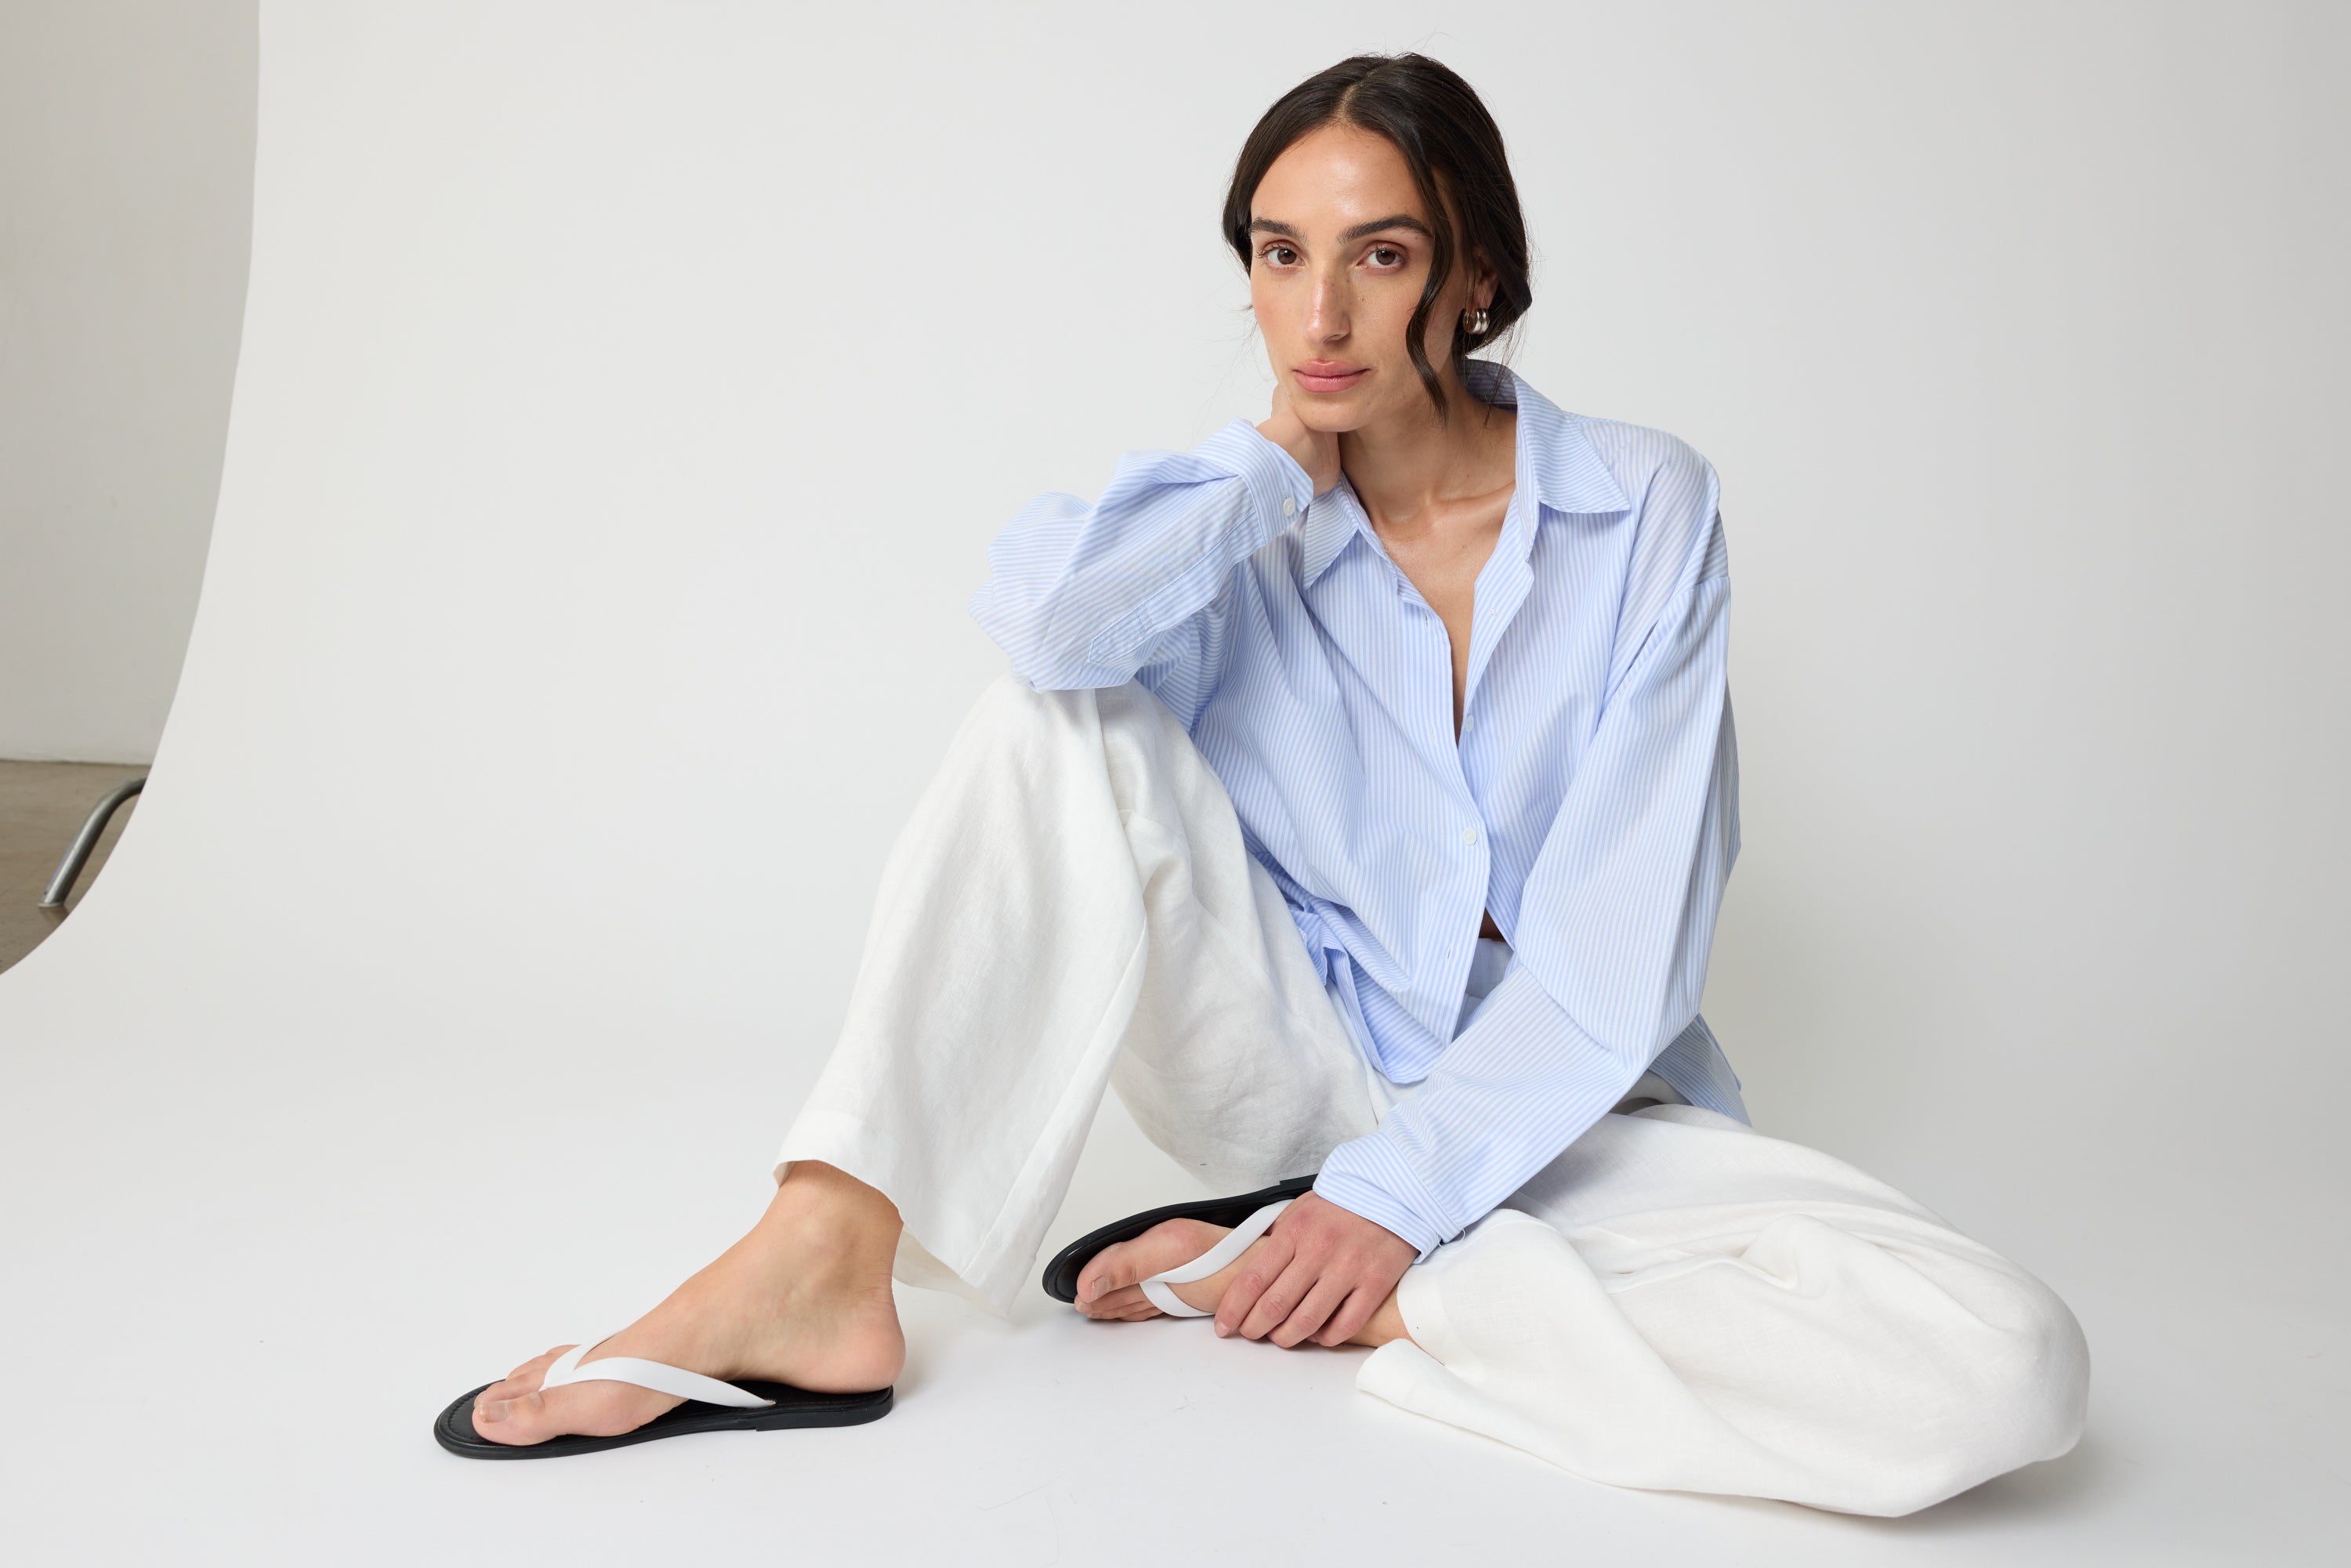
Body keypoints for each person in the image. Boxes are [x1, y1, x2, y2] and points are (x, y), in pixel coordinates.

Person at [437, 53, 2088, 1514]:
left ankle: (1349, 1277)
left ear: (1474, 277)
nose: (1321, 315)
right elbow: (1040, 632)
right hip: (1296, 1067)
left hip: (1576, 1115)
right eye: (1279, 255)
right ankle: (819, 1254)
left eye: (1381, 256)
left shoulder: (1645, 508)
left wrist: (1395, 1204)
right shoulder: (1237, 522)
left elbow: (1622, 942)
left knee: (2008, 1361)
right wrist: (1257, 472)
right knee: (1055, 721)